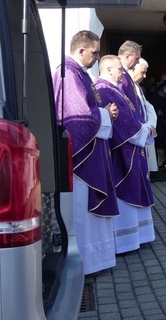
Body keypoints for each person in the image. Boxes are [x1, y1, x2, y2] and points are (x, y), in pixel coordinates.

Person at [52, 30, 119, 276]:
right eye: (95, 52)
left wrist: (103, 111)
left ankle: (95, 260)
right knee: (82, 207)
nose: (97, 57)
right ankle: (84, 262)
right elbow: (78, 117)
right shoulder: (69, 72)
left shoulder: (80, 73)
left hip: (93, 149)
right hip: (82, 157)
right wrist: (105, 114)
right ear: (81, 51)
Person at [95, 55, 155, 254]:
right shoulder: (104, 89)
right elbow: (122, 122)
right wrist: (144, 131)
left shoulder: (113, 88)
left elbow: (131, 115)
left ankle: (137, 236)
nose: (123, 73)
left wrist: (144, 126)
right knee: (126, 191)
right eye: (120, 69)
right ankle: (125, 241)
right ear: (109, 69)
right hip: (121, 151)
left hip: (130, 146)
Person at [129, 57, 158, 172]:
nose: (145, 76)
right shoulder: (126, 86)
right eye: (143, 72)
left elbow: (148, 107)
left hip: (144, 131)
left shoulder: (137, 87)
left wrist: (151, 124)